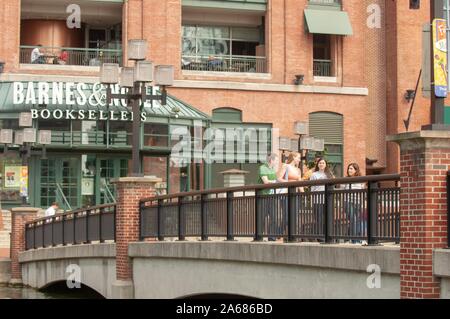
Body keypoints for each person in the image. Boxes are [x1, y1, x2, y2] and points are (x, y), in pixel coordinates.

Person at [310, 158, 334, 241]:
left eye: (323, 163)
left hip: (327, 199)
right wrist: (312, 199)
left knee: (327, 218)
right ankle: (320, 237)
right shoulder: (314, 174)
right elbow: (312, 188)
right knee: (318, 219)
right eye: (320, 163)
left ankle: (328, 236)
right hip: (317, 200)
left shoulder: (329, 174)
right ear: (317, 164)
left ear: (325, 164)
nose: (321, 164)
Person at [259, 153, 281, 241]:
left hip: (272, 196)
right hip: (263, 196)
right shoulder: (262, 168)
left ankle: (271, 237)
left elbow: (274, 181)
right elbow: (265, 182)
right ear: (271, 160)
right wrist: (275, 182)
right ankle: (258, 236)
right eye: (276, 160)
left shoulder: (272, 169)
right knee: (262, 217)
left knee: (274, 216)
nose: (277, 162)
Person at [344, 163, 366, 244]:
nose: (349, 170)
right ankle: (355, 240)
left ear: (356, 170)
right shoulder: (345, 179)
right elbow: (342, 191)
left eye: (351, 168)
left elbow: (363, 193)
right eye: (349, 168)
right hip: (348, 202)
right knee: (354, 219)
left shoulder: (360, 180)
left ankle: (349, 238)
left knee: (356, 221)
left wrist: (363, 203)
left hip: (358, 203)